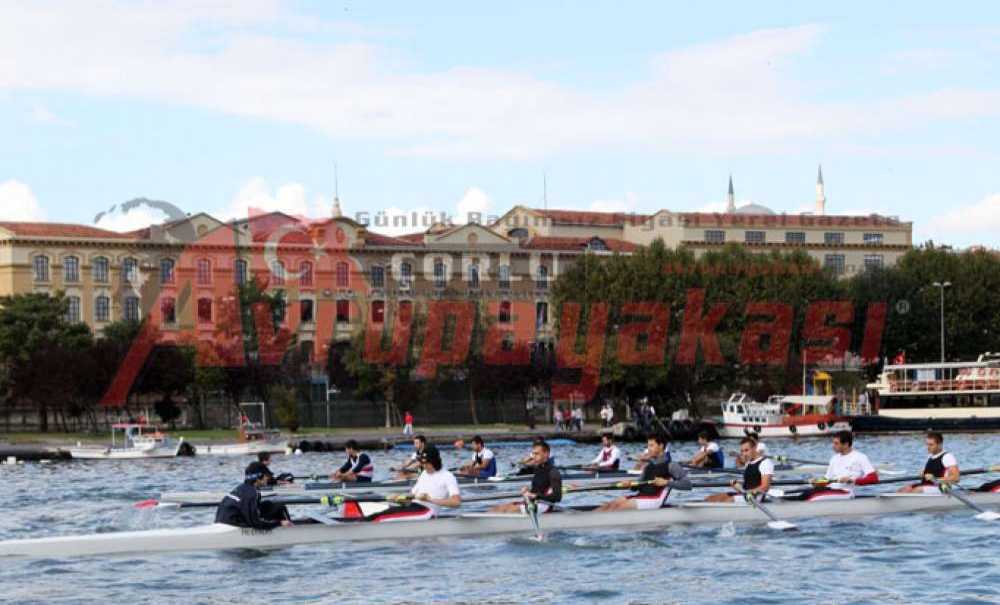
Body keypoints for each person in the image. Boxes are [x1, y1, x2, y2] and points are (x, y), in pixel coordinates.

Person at [596, 434, 692, 511]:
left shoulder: (671, 465)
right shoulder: (648, 466)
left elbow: (688, 485)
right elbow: (638, 486)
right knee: (610, 505)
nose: (648, 448)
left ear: (661, 446)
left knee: (618, 508)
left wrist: (666, 482)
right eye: (648, 446)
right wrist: (630, 485)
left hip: (655, 499)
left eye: (651, 445)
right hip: (641, 497)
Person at [785, 431, 878, 501]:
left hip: (846, 492)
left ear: (846, 444)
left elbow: (874, 478)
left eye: (836, 443)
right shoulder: (834, 458)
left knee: (813, 497)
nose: (833, 446)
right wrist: (817, 481)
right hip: (831, 489)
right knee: (804, 493)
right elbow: (826, 480)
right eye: (833, 443)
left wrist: (852, 480)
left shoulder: (860, 457)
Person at [215, 462, 293, 530]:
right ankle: (289, 528)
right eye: (266, 476)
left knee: (271, 505)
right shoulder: (252, 493)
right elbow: (256, 524)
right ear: (259, 478)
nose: (268, 478)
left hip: (221, 522)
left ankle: (284, 523)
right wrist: (278, 523)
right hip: (233, 526)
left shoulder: (241, 488)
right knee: (280, 506)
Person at [489, 440, 562, 514]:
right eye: (533, 454)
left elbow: (557, 497)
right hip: (533, 502)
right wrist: (528, 490)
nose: (533, 457)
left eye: (536, 454)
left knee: (506, 510)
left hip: (544, 505)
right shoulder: (538, 468)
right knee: (497, 508)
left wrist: (535, 496)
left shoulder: (553, 472)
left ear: (546, 454)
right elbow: (539, 489)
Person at [705, 437, 775, 503]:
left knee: (728, 501)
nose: (744, 454)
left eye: (746, 450)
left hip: (755, 498)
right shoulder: (748, 463)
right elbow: (749, 484)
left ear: (754, 448)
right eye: (742, 451)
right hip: (745, 494)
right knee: (710, 498)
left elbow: (765, 487)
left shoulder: (765, 463)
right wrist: (738, 486)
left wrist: (747, 492)